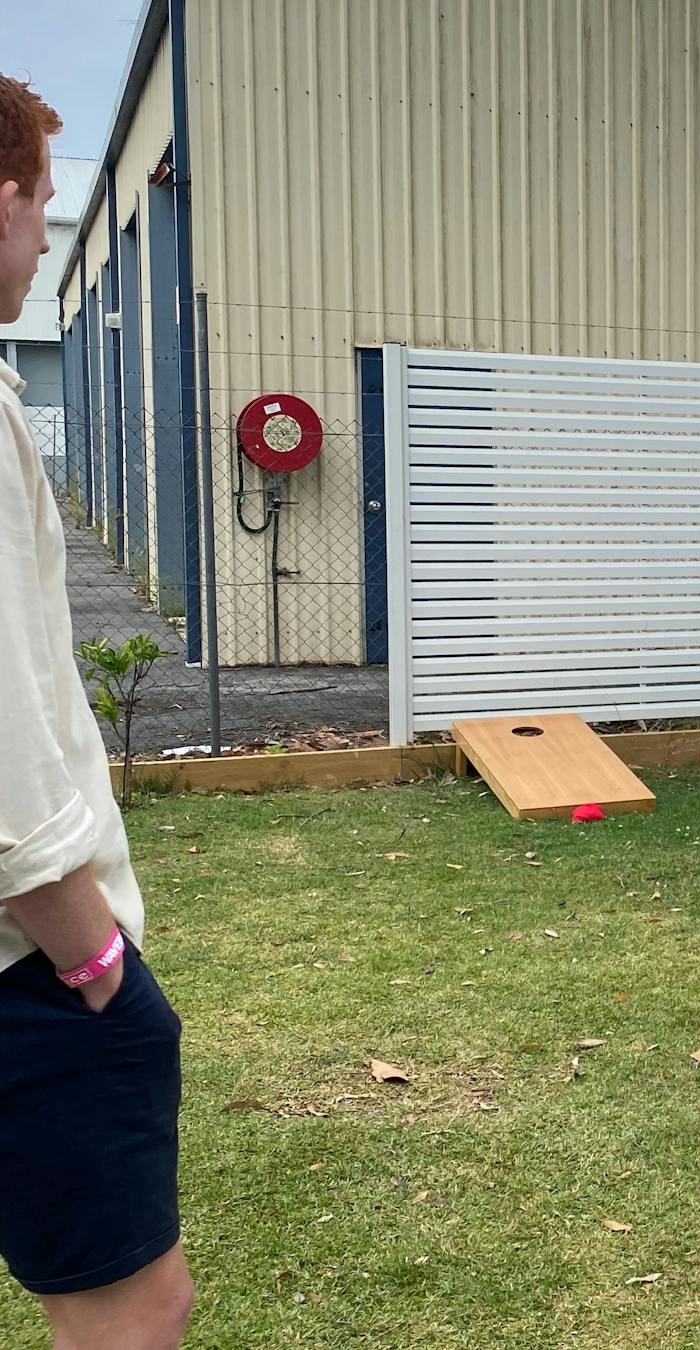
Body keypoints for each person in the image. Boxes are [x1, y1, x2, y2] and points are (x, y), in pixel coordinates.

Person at [0, 75, 191, 1347]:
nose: (39, 247)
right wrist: (95, 960)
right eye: (42, 209)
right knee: (131, 1308)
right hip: (29, 970)